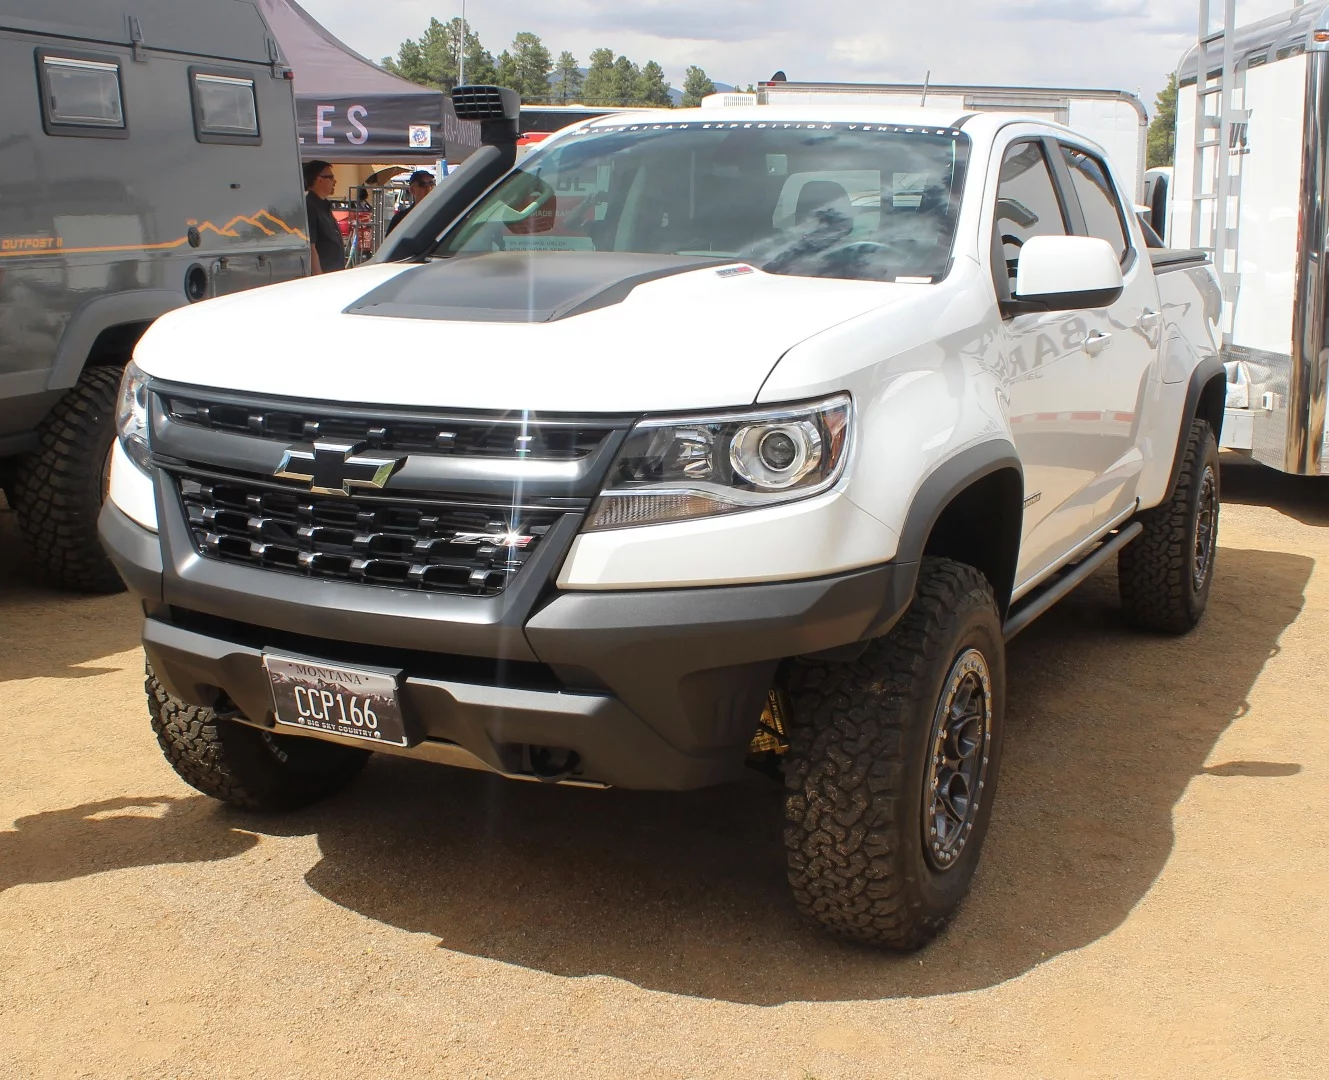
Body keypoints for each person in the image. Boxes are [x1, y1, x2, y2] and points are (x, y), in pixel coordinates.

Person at [303, 160, 344, 274]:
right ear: (319, 179)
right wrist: (318, 279)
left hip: (334, 275)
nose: (335, 182)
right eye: (331, 177)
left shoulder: (324, 206)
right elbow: (311, 247)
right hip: (324, 278)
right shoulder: (310, 207)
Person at [384, 170, 436, 236]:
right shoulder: (401, 218)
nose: (428, 188)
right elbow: (390, 243)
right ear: (412, 189)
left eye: (431, 183)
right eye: (422, 185)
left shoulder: (440, 214)